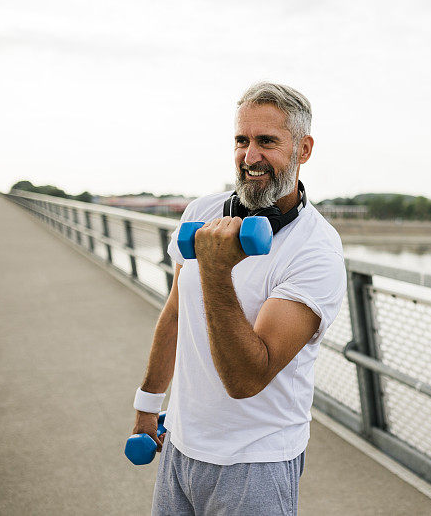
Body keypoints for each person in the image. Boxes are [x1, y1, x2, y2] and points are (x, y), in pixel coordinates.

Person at [130, 82, 347, 515]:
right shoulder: (201, 213)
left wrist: (214, 270)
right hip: (181, 447)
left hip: (256, 463)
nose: (250, 157)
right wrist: (148, 406)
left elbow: (246, 379)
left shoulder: (315, 251)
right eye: (241, 141)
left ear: (303, 150)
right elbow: (175, 315)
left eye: (267, 141)